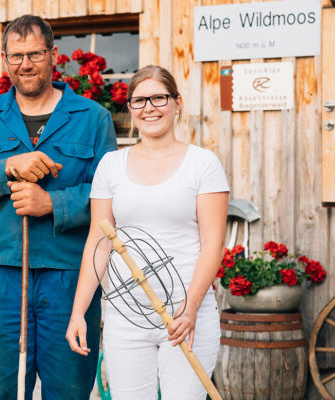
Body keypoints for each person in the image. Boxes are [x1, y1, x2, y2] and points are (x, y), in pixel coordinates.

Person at [0, 14, 117, 400]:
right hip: (2, 276)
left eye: (35, 54)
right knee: (2, 389)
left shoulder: (93, 118)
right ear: (4, 59)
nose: (25, 64)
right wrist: (5, 167)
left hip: (69, 275)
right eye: (16, 56)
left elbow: (111, 197)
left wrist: (51, 203)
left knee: (69, 389)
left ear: (53, 55)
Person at [65, 65, 229, 399]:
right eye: (139, 100)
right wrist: (79, 311)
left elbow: (213, 243)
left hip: (185, 315)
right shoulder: (111, 165)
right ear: (130, 108)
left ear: (177, 103)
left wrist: (191, 307)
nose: (149, 108)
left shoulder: (203, 164)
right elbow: (98, 242)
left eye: (158, 98)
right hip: (126, 317)